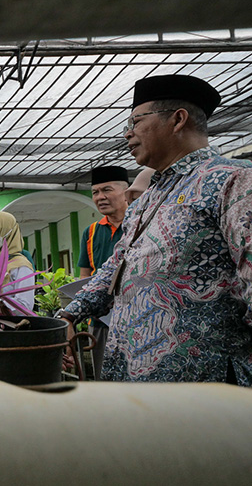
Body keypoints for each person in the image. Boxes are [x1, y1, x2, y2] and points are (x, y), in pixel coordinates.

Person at [59, 74, 252, 385]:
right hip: (131, 379)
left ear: (177, 120)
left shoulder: (233, 182)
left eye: (135, 121)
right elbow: (117, 266)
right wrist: (69, 314)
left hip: (202, 389)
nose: (127, 133)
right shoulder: (148, 198)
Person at [76, 165, 130, 380]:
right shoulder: (90, 232)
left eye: (107, 190)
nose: (100, 197)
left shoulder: (143, 224)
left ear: (126, 192)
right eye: (95, 192)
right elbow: (84, 276)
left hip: (138, 320)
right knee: (104, 378)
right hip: (101, 322)